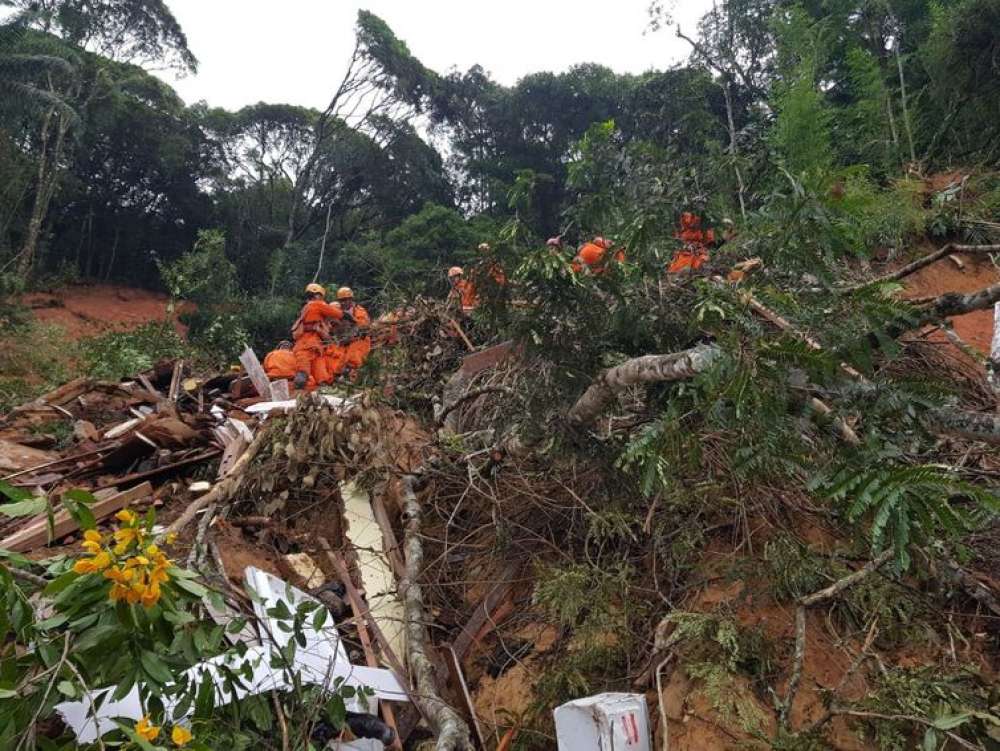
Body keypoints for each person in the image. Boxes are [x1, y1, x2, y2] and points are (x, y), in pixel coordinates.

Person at [291, 283, 346, 390]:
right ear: (318, 295)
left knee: (322, 377)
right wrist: (350, 317)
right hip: (308, 345)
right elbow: (338, 314)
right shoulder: (317, 305)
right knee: (303, 375)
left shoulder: (306, 309)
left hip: (315, 347)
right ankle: (296, 399)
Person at [334, 286, 371, 379]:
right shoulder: (337, 312)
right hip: (342, 342)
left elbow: (363, 328)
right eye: (342, 300)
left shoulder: (359, 311)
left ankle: (352, 371)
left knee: (354, 355)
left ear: (351, 299)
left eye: (346, 300)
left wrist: (352, 322)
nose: (344, 302)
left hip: (358, 340)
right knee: (336, 363)